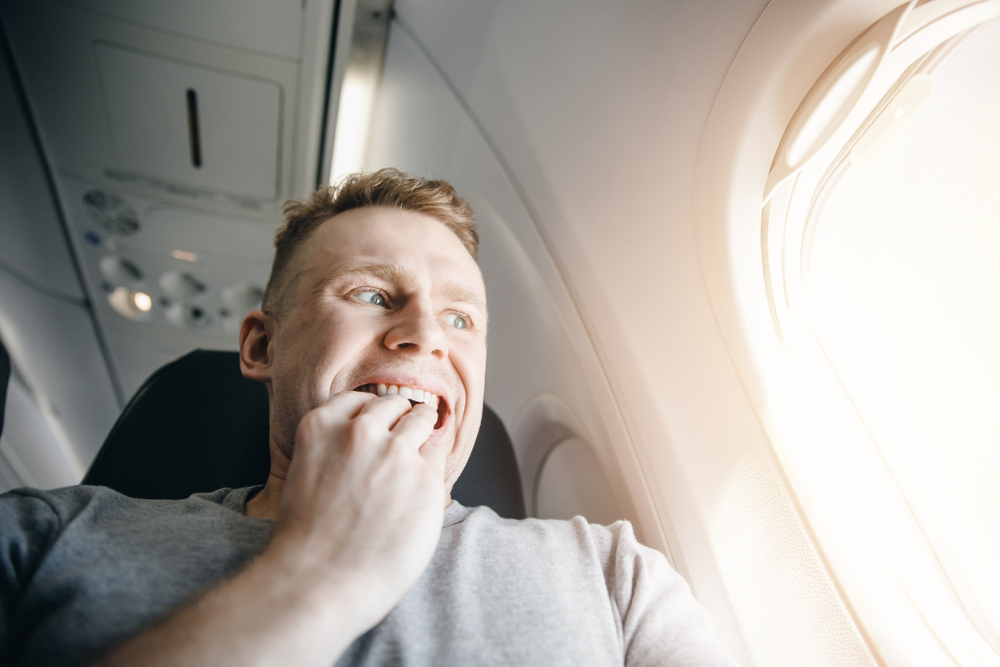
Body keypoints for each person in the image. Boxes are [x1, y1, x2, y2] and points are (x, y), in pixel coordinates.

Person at [0, 169, 740, 666]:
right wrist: (316, 575)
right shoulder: (44, 535)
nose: (425, 335)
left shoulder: (616, 575)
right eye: (373, 295)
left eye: (460, 316)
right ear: (262, 345)